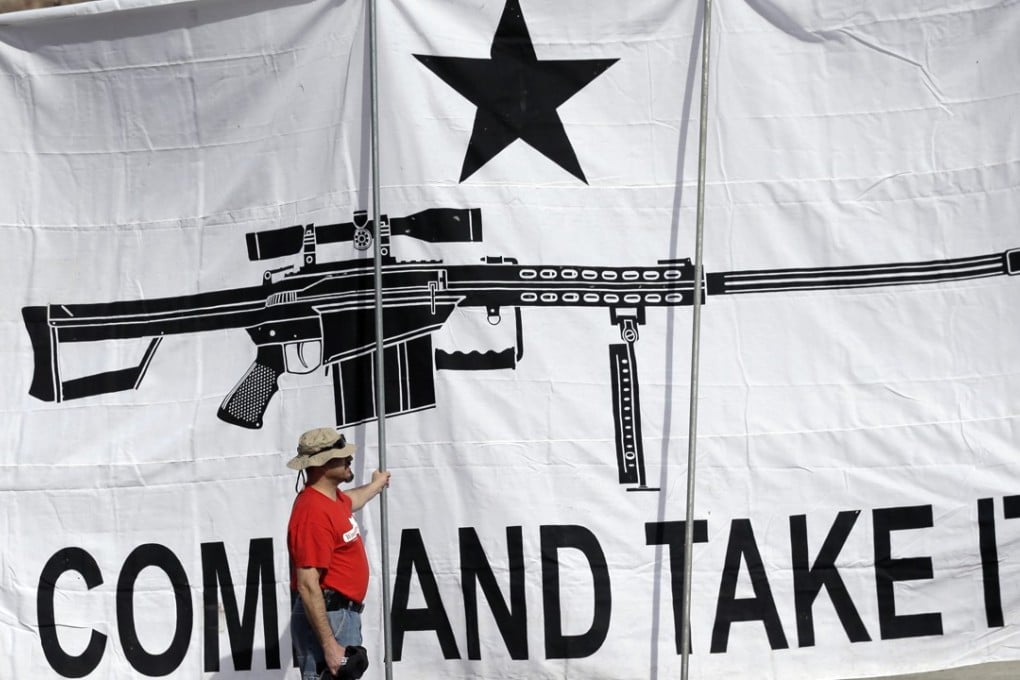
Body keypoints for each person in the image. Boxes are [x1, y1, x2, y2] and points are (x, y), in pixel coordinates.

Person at [287, 427, 390, 680]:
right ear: (322, 463)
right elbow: (308, 585)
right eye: (342, 455)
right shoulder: (312, 512)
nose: (349, 458)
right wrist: (330, 647)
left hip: (340, 617)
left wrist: (376, 485)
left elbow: (351, 500)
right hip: (331, 619)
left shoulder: (331, 500)